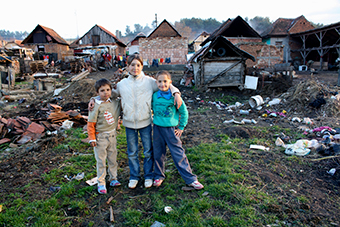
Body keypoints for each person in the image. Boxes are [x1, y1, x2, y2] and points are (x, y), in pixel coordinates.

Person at [89, 53, 182, 189]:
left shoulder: (149, 82)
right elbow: (108, 94)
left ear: (142, 66)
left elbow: (166, 85)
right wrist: (93, 99)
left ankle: (148, 175)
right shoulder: (122, 84)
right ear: (127, 66)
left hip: (145, 122)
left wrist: (176, 93)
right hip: (129, 123)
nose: (135, 68)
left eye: (138, 65)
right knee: (132, 152)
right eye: (132, 65)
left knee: (147, 151)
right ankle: (134, 176)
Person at [152, 70, 204, 190]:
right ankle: (158, 176)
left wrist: (181, 127)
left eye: (165, 81)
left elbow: (184, 112)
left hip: (171, 130)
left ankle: (191, 179)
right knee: (158, 154)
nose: (162, 84)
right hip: (157, 129)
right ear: (156, 82)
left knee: (178, 154)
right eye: (159, 82)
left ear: (170, 82)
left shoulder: (174, 97)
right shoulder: (154, 96)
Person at [87, 78, 121, 194]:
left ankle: (113, 178)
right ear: (97, 93)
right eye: (102, 91)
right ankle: (101, 182)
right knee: (101, 160)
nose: (105, 93)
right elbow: (91, 124)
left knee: (112, 158)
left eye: (108, 90)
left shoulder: (115, 103)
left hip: (112, 135)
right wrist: (92, 138)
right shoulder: (95, 106)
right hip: (100, 137)